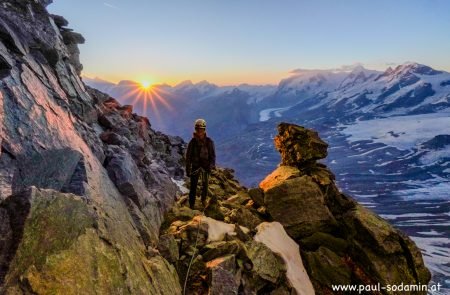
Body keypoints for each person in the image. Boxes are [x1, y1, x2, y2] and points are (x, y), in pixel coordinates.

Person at [185, 118, 216, 209]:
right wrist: (188, 169)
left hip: (206, 167)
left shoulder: (209, 142)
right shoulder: (192, 142)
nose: (199, 131)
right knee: (193, 186)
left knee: (205, 186)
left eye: (201, 129)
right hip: (195, 167)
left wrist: (210, 167)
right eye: (198, 129)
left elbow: (212, 156)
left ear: (204, 130)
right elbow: (188, 157)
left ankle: (203, 200)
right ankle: (191, 204)